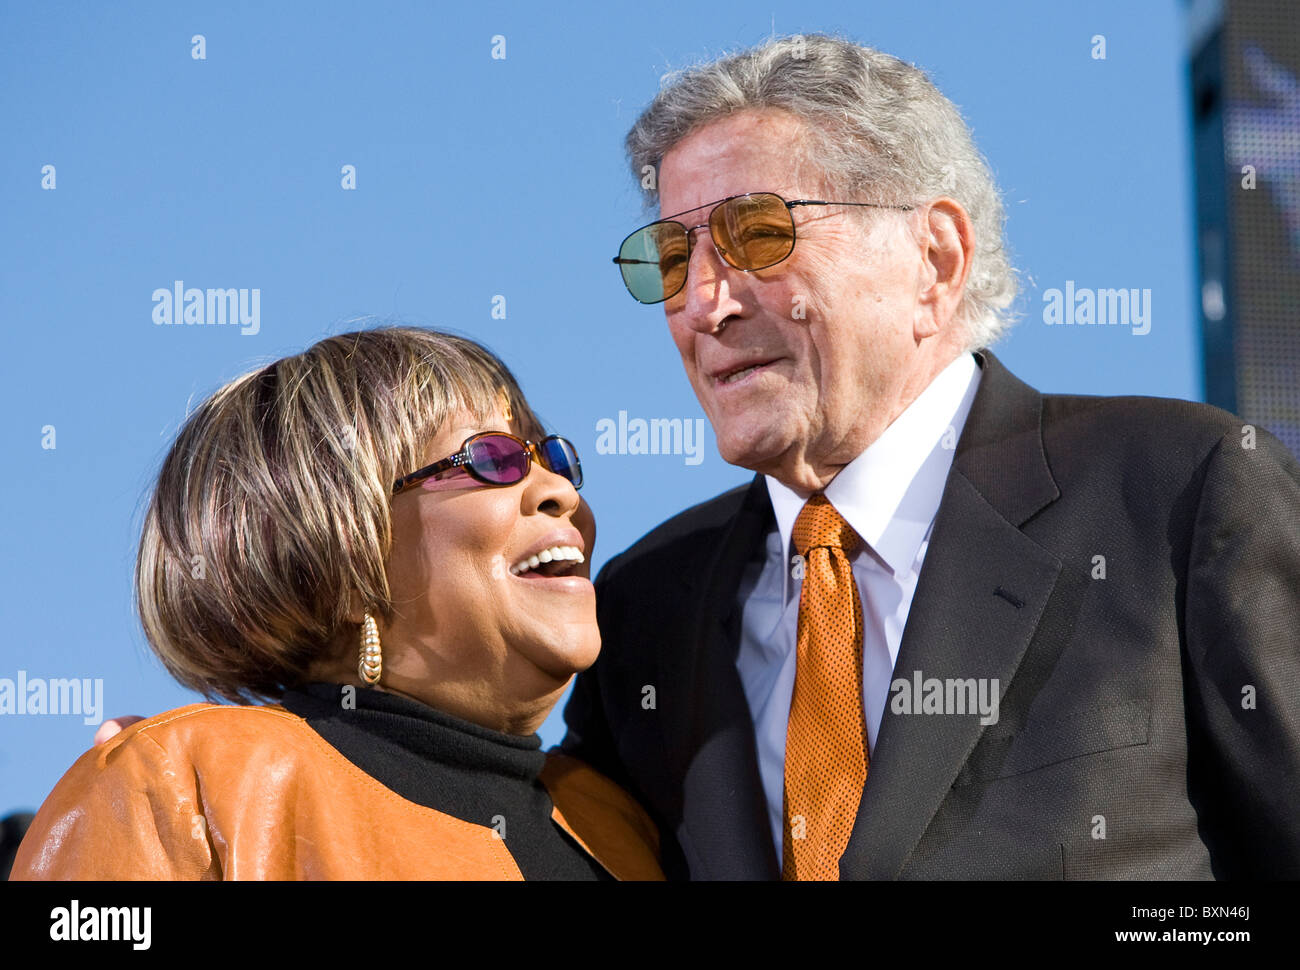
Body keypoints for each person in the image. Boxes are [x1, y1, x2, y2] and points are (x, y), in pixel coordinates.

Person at [564, 33, 1300, 880]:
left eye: (756, 234)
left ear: (934, 260)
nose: (702, 303)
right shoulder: (643, 604)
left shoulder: (1182, 491)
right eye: (671, 256)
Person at [12, 327, 662, 880]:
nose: (559, 491)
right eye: (491, 458)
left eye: (552, 456)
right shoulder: (185, 789)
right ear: (339, 549)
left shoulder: (622, 828)